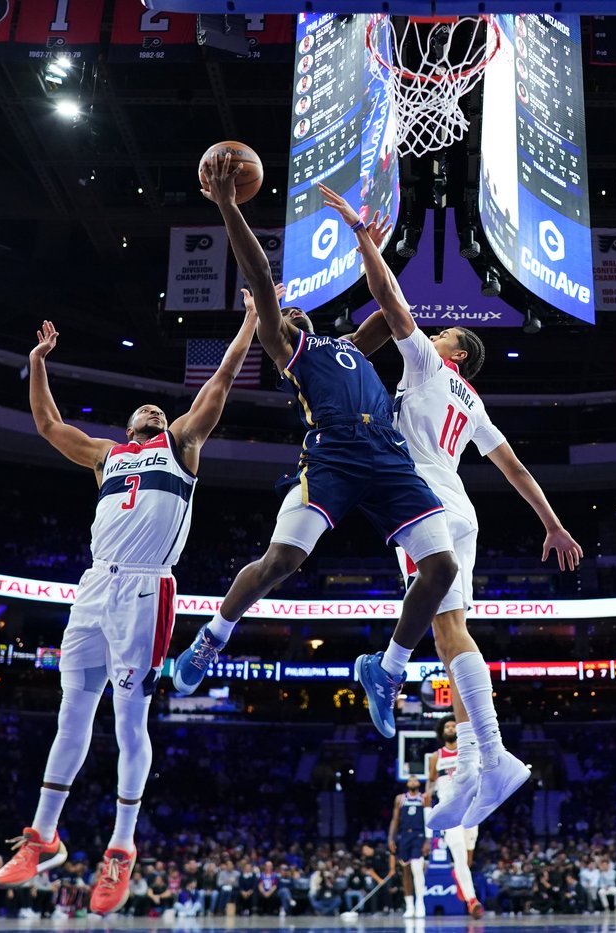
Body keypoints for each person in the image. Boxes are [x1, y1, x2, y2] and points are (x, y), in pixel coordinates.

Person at [319, 182, 581, 827]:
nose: (430, 335)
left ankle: (484, 752)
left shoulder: (430, 370)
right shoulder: (475, 402)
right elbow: (513, 466)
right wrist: (552, 522)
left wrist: (361, 232)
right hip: (460, 507)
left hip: (425, 503)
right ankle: (477, 763)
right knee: (451, 630)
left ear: (456, 354)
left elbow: (390, 300)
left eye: (442, 335)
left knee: (441, 630)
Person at [173, 154, 461, 742]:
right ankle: (214, 634)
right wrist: (229, 207)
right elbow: (258, 278)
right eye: (285, 311)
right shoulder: (289, 350)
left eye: (296, 308)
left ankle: (387, 672)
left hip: (387, 458)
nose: (293, 310)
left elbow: (393, 308)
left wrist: (371, 246)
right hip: (331, 456)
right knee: (283, 562)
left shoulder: (351, 344)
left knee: (442, 568)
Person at [0, 307, 259, 917]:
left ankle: (120, 846)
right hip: (92, 587)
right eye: (147, 412)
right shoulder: (103, 455)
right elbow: (46, 422)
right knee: (72, 712)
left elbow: (220, 380)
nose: (154, 413)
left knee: (128, 722)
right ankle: (43, 835)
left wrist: (247, 323)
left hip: (146, 590)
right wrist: (36, 364)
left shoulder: (183, 443)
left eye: (161, 411)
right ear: (129, 422)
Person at [426, 717, 484, 917]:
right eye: (447, 726)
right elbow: (430, 785)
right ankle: (472, 900)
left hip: (471, 807)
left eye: (453, 725)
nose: (450, 728)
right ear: (442, 732)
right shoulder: (436, 756)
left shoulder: (469, 753)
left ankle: (460, 880)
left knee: (467, 858)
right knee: (459, 855)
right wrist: (428, 810)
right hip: (450, 812)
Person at [389, 778, 429, 917]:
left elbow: (429, 819)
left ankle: (420, 904)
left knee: (417, 869)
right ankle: (409, 906)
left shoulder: (424, 798)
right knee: (406, 871)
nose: (412, 782)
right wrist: (391, 838)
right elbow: (395, 819)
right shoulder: (400, 799)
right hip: (405, 836)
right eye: (410, 780)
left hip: (419, 835)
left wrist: (428, 841)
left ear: (419, 783)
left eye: (415, 780)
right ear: (406, 784)